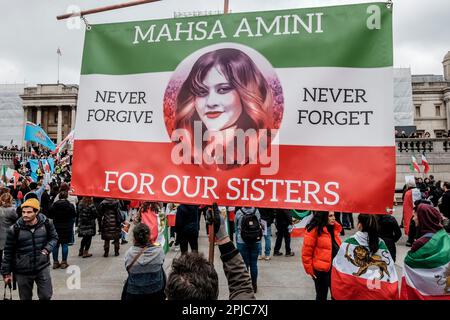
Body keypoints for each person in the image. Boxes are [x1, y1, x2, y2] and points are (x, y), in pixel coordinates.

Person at [173, 48, 275, 170]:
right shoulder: (183, 146)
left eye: (223, 89)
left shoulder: (266, 149)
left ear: (247, 93)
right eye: (201, 91)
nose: (211, 103)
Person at [165, 206, 255, 300]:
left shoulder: (181, 208)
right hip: (193, 231)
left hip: (185, 232)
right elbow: (241, 287)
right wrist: (223, 237)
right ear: (215, 292)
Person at [1, 198, 58, 300]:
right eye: (23, 212)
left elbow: (54, 238)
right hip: (22, 270)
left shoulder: (47, 223)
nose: (25, 215)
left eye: (29, 212)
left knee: (46, 296)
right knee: (25, 298)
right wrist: (6, 273)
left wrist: (46, 249)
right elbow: (8, 252)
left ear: (37, 212)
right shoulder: (14, 229)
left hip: (42, 266)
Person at [331, 214, 398, 300]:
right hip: (375, 293)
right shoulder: (381, 244)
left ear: (360, 225)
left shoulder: (348, 242)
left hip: (355, 292)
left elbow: (338, 266)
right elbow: (391, 272)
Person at [400, 202, 450, 299]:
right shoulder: (445, 237)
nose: (413, 219)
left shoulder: (420, 243)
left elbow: (409, 262)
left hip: (427, 291)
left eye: (415, 216)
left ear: (423, 218)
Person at [302, 211, 342, 301]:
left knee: (336, 296)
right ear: (324, 216)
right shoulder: (314, 230)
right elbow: (306, 252)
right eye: (330, 216)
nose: (334, 218)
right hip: (321, 272)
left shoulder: (334, 229)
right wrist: (310, 270)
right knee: (321, 296)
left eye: (334, 215)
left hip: (335, 270)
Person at [122, 223, 166, 300]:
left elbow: (128, 269)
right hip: (156, 290)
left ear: (134, 238)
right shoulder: (159, 250)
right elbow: (161, 262)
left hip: (134, 292)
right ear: (149, 236)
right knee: (161, 270)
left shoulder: (129, 253)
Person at [235, 207, 262, 293]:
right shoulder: (256, 211)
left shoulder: (239, 212)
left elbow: (236, 227)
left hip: (242, 241)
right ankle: (254, 286)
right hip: (255, 241)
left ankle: (245, 286)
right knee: (254, 264)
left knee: (244, 265)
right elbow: (259, 223)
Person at [48, 191, 76, 269]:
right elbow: (74, 215)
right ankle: (64, 262)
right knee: (65, 244)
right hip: (67, 226)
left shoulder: (54, 205)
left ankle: (55, 262)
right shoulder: (70, 205)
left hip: (56, 226)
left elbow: (50, 215)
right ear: (66, 197)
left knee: (56, 245)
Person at [0, 193, 18, 267]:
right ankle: (8, 267)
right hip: (8, 234)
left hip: (0, 233)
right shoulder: (12, 210)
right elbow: (16, 220)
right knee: (10, 252)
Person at [403, 180, 422, 246]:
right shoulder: (418, 191)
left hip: (410, 211)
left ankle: (410, 240)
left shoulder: (407, 193)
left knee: (411, 226)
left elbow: (405, 203)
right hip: (418, 211)